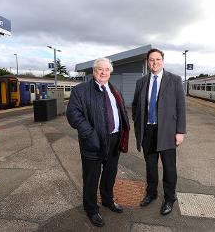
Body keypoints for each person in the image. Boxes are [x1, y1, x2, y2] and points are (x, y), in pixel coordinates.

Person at [66, 57, 129, 227]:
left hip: (114, 139)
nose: (103, 72)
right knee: (91, 177)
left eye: (106, 70)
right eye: (99, 69)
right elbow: (73, 115)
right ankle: (91, 209)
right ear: (94, 71)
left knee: (110, 173)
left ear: (110, 72)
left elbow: (120, 111)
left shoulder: (114, 90)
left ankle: (107, 200)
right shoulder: (81, 90)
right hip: (93, 141)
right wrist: (90, 134)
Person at [132, 48, 186, 215]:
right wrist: (138, 123)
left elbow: (181, 107)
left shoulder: (175, 80)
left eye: (157, 59)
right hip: (148, 130)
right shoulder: (141, 82)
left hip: (168, 132)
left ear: (163, 61)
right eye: (151, 60)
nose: (154, 63)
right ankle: (151, 193)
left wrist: (180, 131)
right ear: (148, 62)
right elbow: (135, 106)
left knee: (169, 168)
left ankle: (170, 198)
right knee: (150, 166)